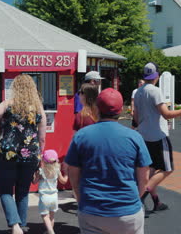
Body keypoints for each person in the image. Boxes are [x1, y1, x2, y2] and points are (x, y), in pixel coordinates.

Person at [65, 88, 152, 234]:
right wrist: (134, 199)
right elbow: (144, 177)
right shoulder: (134, 137)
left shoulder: (81, 136)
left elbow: (73, 174)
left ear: (97, 109)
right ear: (120, 110)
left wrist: (80, 198)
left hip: (92, 210)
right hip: (127, 212)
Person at [0, 74, 47, 234]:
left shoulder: (6, 104)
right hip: (30, 155)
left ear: (15, 88)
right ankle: (20, 225)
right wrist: (40, 157)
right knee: (23, 190)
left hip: (6, 154)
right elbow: (42, 137)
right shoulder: (38, 108)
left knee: (5, 190)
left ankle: (15, 226)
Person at [134, 62, 181, 211]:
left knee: (151, 170)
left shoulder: (138, 92)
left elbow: (136, 117)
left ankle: (156, 202)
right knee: (167, 169)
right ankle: (140, 198)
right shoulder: (155, 91)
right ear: (156, 75)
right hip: (158, 136)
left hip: (144, 135)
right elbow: (167, 115)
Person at [32, 149, 68, 234]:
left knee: (45, 216)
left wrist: (34, 173)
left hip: (44, 197)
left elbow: (34, 182)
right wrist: (66, 173)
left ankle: (51, 231)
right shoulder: (57, 171)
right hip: (54, 197)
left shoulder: (41, 171)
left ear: (43, 160)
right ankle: (49, 231)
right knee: (51, 217)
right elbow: (64, 181)